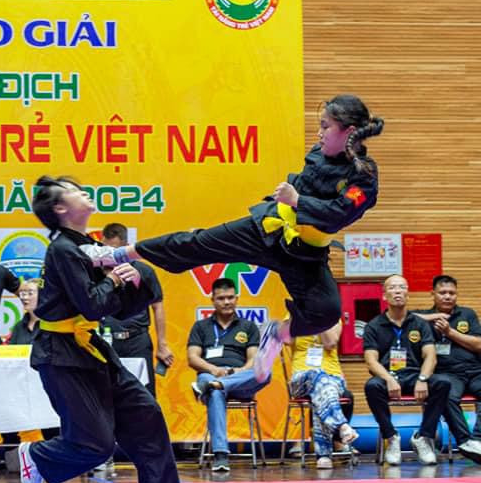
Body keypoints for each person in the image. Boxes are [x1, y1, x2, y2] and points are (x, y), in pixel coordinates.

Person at [81, 95, 384, 383]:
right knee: (196, 243)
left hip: (304, 253)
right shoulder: (318, 153)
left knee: (326, 312)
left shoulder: (364, 176)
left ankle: (277, 334)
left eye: (326, 126)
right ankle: (118, 254)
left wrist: (298, 200)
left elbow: (339, 213)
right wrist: (288, 199)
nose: (319, 133)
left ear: (349, 132)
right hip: (267, 229)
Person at [17, 175, 195, 483]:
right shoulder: (63, 250)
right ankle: (36, 457)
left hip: (92, 348)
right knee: (95, 445)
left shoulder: (88, 247)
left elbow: (115, 308)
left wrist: (134, 281)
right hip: (61, 354)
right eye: (74, 191)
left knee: (146, 413)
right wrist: (114, 279)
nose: (84, 192)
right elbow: (93, 304)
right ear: (60, 208)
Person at [363, 275, 449, 465]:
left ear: (407, 294)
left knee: (443, 383)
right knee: (372, 386)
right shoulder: (373, 326)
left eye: (402, 287)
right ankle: (391, 437)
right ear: (384, 295)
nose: (397, 291)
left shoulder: (420, 324)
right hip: (388, 377)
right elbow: (371, 361)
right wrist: (389, 379)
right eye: (392, 287)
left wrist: (423, 379)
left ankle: (423, 437)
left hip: (414, 376)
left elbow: (431, 356)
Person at [186, 277, 265, 472]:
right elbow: (192, 358)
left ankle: (218, 385)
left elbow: (253, 360)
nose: (226, 302)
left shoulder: (248, 326)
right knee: (214, 391)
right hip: (210, 375)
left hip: (241, 381)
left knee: (265, 372)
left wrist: (236, 373)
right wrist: (215, 371)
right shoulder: (201, 326)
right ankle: (221, 455)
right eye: (221, 298)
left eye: (230, 297)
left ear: (236, 298)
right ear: (212, 300)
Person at [412, 275, 481, 463]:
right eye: (442, 292)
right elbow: (400, 316)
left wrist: (450, 332)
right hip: (448, 373)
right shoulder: (423, 318)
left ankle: (477, 440)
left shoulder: (467, 314)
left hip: (475, 370)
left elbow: (478, 344)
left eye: (452, 293)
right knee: (446, 393)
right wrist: (433, 317)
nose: (448, 296)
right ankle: (465, 441)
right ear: (433, 294)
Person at [101, 222, 174, 394]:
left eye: (115, 251)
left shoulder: (144, 271)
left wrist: (162, 344)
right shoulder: (96, 273)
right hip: (107, 341)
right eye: (106, 250)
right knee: (106, 394)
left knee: (145, 395)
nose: (110, 256)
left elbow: (157, 306)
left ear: (126, 247)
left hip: (137, 341)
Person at [287, 321, 359, 468]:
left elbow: (330, 343)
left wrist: (319, 319)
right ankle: (340, 426)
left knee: (321, 391)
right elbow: (288, 340)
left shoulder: (332, 318)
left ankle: (324, 457)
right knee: (317, 376)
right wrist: (300, 316)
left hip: (331, 377)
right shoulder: (295, 315)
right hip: (301, 379)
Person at [8, 278, 41, 345]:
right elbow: (12, 349)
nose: (24, 297)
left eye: (30, 293)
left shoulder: (50, 324)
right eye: (22, 294)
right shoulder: (19, 326)